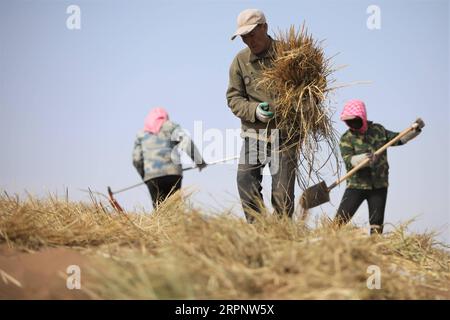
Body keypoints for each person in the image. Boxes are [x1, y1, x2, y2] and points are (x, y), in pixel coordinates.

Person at [226, 9, 298, 223]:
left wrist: (285, 108)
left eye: (252, 34)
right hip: (254, 136)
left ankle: (282, 235)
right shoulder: (240, 61)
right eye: (244, 37)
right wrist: (254, 111)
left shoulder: (289, 54)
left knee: (282, 194)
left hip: (285, 138)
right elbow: (233, 98)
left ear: (264, 27)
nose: (249, 41)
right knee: (245, 181)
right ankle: (258, 232)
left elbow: (307, 91)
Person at [333, 99, 424, 234]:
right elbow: (348, 160)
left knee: (376, 225)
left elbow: (398, 139)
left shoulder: (378, 130)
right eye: (348, 121)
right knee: (339, 222)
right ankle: (326, 244)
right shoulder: (347, 138)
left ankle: (375, 250)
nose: (352, 124)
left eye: (354, 120)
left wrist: (414, 130)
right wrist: (363, 159)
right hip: (356, 185)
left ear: (362, 117)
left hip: (379, 186)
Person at [132, 108, 206, 209]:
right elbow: (186, 142)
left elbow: (136, 159)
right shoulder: (171, 126)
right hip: (173, 174)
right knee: (175, 209)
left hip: (152, 177)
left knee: (159, 210)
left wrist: (144, 176)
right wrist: (199, 161)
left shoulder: (141, 134)